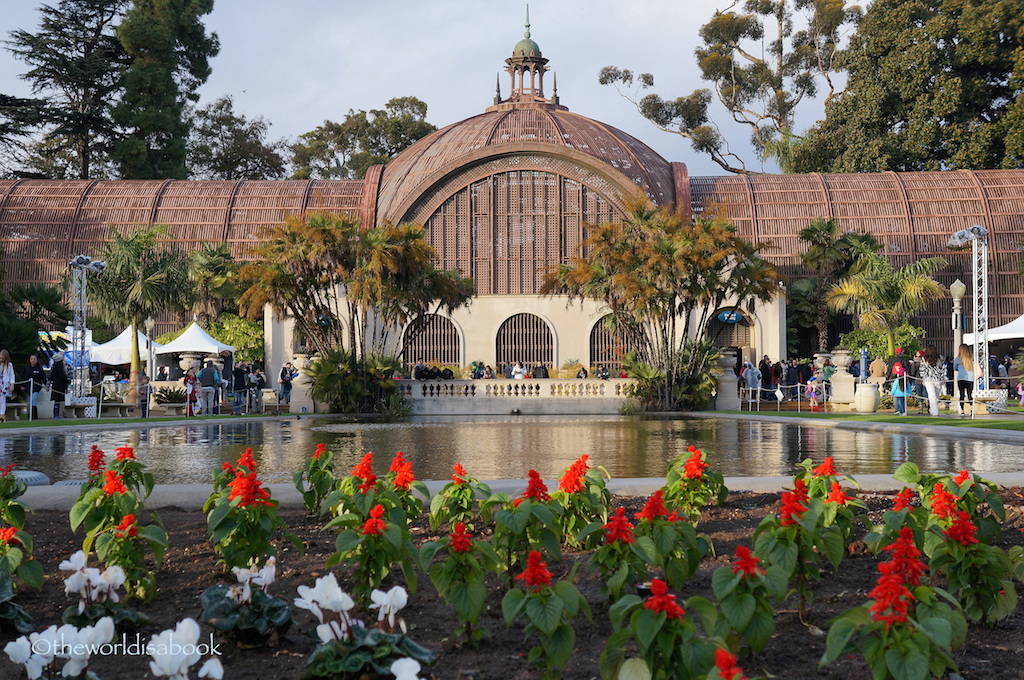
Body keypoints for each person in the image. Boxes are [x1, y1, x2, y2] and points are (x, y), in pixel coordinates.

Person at [919, 346, 945, 416]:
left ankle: (934, 410)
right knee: (936, 396)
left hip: (928, 379)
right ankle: (934, 410)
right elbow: (942, 369)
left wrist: (923, 376)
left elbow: (922, 370)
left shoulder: (924, 359)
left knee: (932, 396)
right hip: (938, 379)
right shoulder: (940, 358)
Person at [22, 354, 46, 421]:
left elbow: (43, 377)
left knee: (33, 400)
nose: (33, 360)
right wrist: (22, 385)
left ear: (37, 360)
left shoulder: (39, 369)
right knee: (29, 402)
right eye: (31, 359)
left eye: (34, 359)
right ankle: (30, 414)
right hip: (27, 388)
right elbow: (23, 377)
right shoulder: (26, 369)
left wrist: (46, 385)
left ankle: (33, 415)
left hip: (36, 388)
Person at [953, 343, 974, 416]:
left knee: (961, 395)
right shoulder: (971, 358)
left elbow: (954, 367)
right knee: (969, 394)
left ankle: (962, 410)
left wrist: (959, 369)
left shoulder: (958, 359)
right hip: (970, 378)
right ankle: (971, 409)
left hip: (961, 378)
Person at [48, 352, 70, 419]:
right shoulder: (60, 368)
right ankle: (58, 415)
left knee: (56, 401)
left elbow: (50, 377)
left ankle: (56, 414)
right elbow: (63, 377)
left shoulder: (53, 367)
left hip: (55, 385)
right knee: (59, 400)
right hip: (60, 386)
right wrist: (67, 381)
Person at [0, 349, 14, 423]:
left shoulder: (9, 365)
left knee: (2, 400)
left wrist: (12, 384)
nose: (1, 360)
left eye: (3, 358)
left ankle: (2, 415)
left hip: (4, 384)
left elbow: (12, 375)